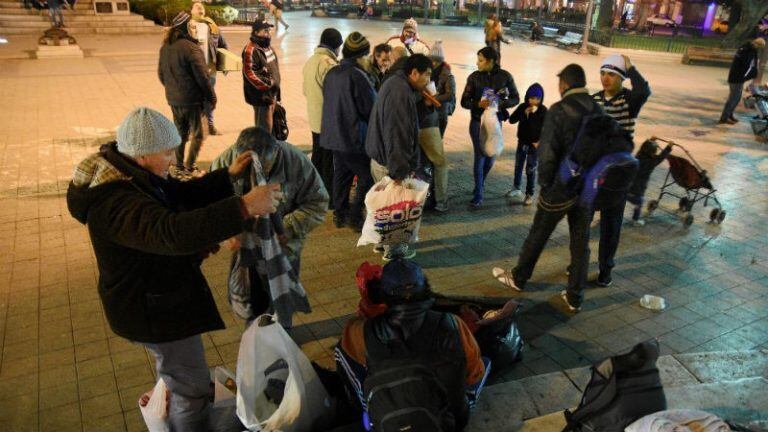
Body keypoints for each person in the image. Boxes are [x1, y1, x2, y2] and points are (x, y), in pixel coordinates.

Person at [67, 107, 283, 431]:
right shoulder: (115, 202)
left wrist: (226, 177)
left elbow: (177, 196)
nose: (172, 158)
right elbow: (173, 232)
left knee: (176, 376)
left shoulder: (131, 174)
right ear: (142, 155)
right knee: (191, 388)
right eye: (168, 152)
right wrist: (245, 205)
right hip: (153, 311)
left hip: (154, 298)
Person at [492, 64, 602, 313]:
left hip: (559, 187)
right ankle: (575, 296)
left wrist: (545, 183)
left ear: (564, 84)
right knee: (580, 242)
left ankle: (519, 278)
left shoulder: (560, 110)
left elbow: (549, 152)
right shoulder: (598, 108)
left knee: (538, 234)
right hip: (586, 188)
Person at [336, 259, 486, 431]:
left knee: (343, 353)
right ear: (425, 287)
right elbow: (474, 374)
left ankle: (362, 412)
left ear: (383, 294)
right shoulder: (452, 323)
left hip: (389, 423)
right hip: (450, 423)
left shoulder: (361, 331)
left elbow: (349, 342)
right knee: (485, 363)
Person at [212, 127, 328, 319]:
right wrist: (227, 235)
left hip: (284, 249)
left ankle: (283, 330)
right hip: (246, 250)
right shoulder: (224, 163)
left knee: (282, 299)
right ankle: (255, 335)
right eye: (249, 167)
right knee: (251, 301)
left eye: (263, 168)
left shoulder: (295, 160)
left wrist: (283, 229)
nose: (256, 174)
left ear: (276, 152)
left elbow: (318, 203)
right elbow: (212, 210)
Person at [591, 54, 651, 287]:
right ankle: (578, 261)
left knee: (611, 224)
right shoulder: (593, 99)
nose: (606, 78)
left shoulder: (629, 100)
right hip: (593, 172)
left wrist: (631, 67)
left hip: (617, 175)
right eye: (603, 73)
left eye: (613, 74)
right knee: (582, 220)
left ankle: (605, 269)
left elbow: (644, 90)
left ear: (622, 78)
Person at [366, 54, 432, 261]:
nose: (428, 80)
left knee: (385, 207)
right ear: (414, 73)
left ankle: (381, 243)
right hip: (390, 164)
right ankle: (393, 252)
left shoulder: (396, 83)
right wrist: (398, 172)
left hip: (381, 159)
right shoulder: (400, 92)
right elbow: (397, 135)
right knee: (395, 209)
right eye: (427, 75)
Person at [320, 32, 377, 232]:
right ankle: (354, 214)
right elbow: (370, 108)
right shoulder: (358, 76)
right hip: (351, 136)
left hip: (332, 135)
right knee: (367, 175)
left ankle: (340, 213)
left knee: (342, 174)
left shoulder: (332, 72)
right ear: (360, 56)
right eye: (367, 55)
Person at [460, 46, 519, 208]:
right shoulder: (474, 77)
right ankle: (478, 194)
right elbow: (464, 101)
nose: (477, 63)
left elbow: (516, 98)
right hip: (477, 122)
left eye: (481, 60)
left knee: (491, 155)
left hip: (495, 121)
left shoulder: (505, 76)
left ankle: (480, 183)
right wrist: (478, 104)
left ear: (491, 61)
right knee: (480, 156)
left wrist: (500, 103)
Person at [158, 12, 216, 177]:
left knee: (180, 133)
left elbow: (161, 75)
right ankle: (190, 167)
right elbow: (203, 77)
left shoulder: (166, 47)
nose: (194, 29)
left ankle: (178, 167)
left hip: (174, 99)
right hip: (191, 101)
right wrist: (211, 97)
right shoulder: (190, 47)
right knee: (198, 134)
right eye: (191, 26)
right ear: (185, 28)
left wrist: (173, 89)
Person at [302, 28, 342, 207]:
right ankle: (330, 200)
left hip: (315, 119)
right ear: (336, 46)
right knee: (329, 163)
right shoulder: (328, 64)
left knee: (318, 158)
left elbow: (305, 90)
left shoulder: (310, 61)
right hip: (328, 122)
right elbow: (337, 94)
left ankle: (314, 194)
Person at [190, 1, 228, 136]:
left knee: (210, 99)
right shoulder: (187, 27)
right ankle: (196, 127)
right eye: (196, 6)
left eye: (202, 7)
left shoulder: (212, 26)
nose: (200, 7)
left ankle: (210, 126)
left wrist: (225, 64)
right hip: (194, 72)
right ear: (192, 12)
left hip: (210, 70)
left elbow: (223, 45)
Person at [506, 83, 547, 206]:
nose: (534, 101)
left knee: (531, 169)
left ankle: (529, 194)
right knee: (518, 166)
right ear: (527, 97)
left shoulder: (543, 110)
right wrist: (524, 112)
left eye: (537, 99)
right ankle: (516, 188)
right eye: (532, 98)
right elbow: (512, 120)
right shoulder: (523, 107)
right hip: (522, 142)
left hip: (534, 146)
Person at [243, 20, 281, 134]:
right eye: (265, 31)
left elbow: (275, 70)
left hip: (271, 95)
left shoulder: (268, 48)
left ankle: (270, 148)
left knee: (271, 127)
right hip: (261, 97)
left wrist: (276, 90)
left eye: (269, 30)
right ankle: (262, 150)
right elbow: (250, 73)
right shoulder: (250, 50)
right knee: (263, 130)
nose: (268, 33)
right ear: (256, 32)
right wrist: (269, 83)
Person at [720, 37, 766, 125]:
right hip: (737, 78)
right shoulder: (749, 52)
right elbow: (748, 67)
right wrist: (749, 75)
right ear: (758, 45)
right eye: (760, 48)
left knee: (735, 98)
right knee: (733, 99)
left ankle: (729, 115)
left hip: (735, 77)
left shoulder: (745, 48)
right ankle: (724, 118)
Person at [626, 139, 672, 226]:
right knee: (639, 202)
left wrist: (651, 140)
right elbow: (661, 157)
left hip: (627, 186)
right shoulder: (651, 162)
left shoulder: (638, 156)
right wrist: (669, 147)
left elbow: (643, 149)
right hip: (637, 190)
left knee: (622, 198)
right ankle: (635, 220)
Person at [430, 40, 456, 138]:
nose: (434, 63)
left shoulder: (448, 75)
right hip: (429, 110)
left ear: (441, 61)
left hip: (441, 112)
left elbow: (450, 95)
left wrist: (434, 99)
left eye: (436, 61)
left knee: (437, 138)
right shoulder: (427, 71)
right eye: (432, 60)